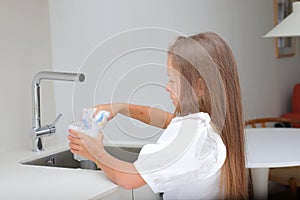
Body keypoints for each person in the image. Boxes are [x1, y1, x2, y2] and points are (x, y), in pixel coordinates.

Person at [68, 32, 248, 199]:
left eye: (172, 80)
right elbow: (168, 120)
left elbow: (129, 179)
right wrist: (121, 107)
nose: (167, 87)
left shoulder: (191, 135)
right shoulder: (209, 125)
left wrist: (95, 152)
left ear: (199, 87)